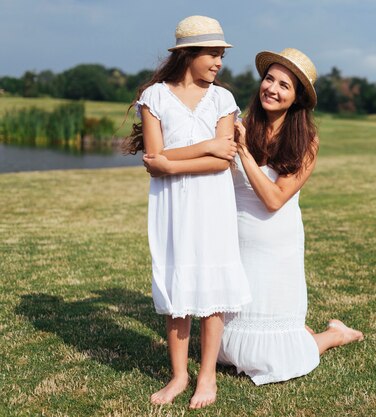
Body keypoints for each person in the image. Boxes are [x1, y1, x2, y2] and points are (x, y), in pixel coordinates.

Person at [144, 48, 364, 386]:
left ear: (297, 99)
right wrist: (166, 163)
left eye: (284, 86)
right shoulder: (236, 125)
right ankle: (298, 329)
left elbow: (275, 199)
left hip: (277, 251)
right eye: (269, 79)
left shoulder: (307, 140)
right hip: (233, 246)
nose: (272, 89)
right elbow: (199, 155)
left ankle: (334, 334)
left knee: (273, 359)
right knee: (225, 352)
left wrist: (244, 152)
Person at [124, 15, 251, 409]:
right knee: (177, 285)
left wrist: (171, 164)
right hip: (173, 206)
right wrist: (204, 146)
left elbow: (222, 159)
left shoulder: (223, 99)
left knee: (212, 289)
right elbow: (153, 153)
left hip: (212, 204)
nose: (218, 61)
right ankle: (179, 375)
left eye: (220, 55)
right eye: (212, 53)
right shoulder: (155, 97)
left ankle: (207, 377)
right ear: (188, 55)